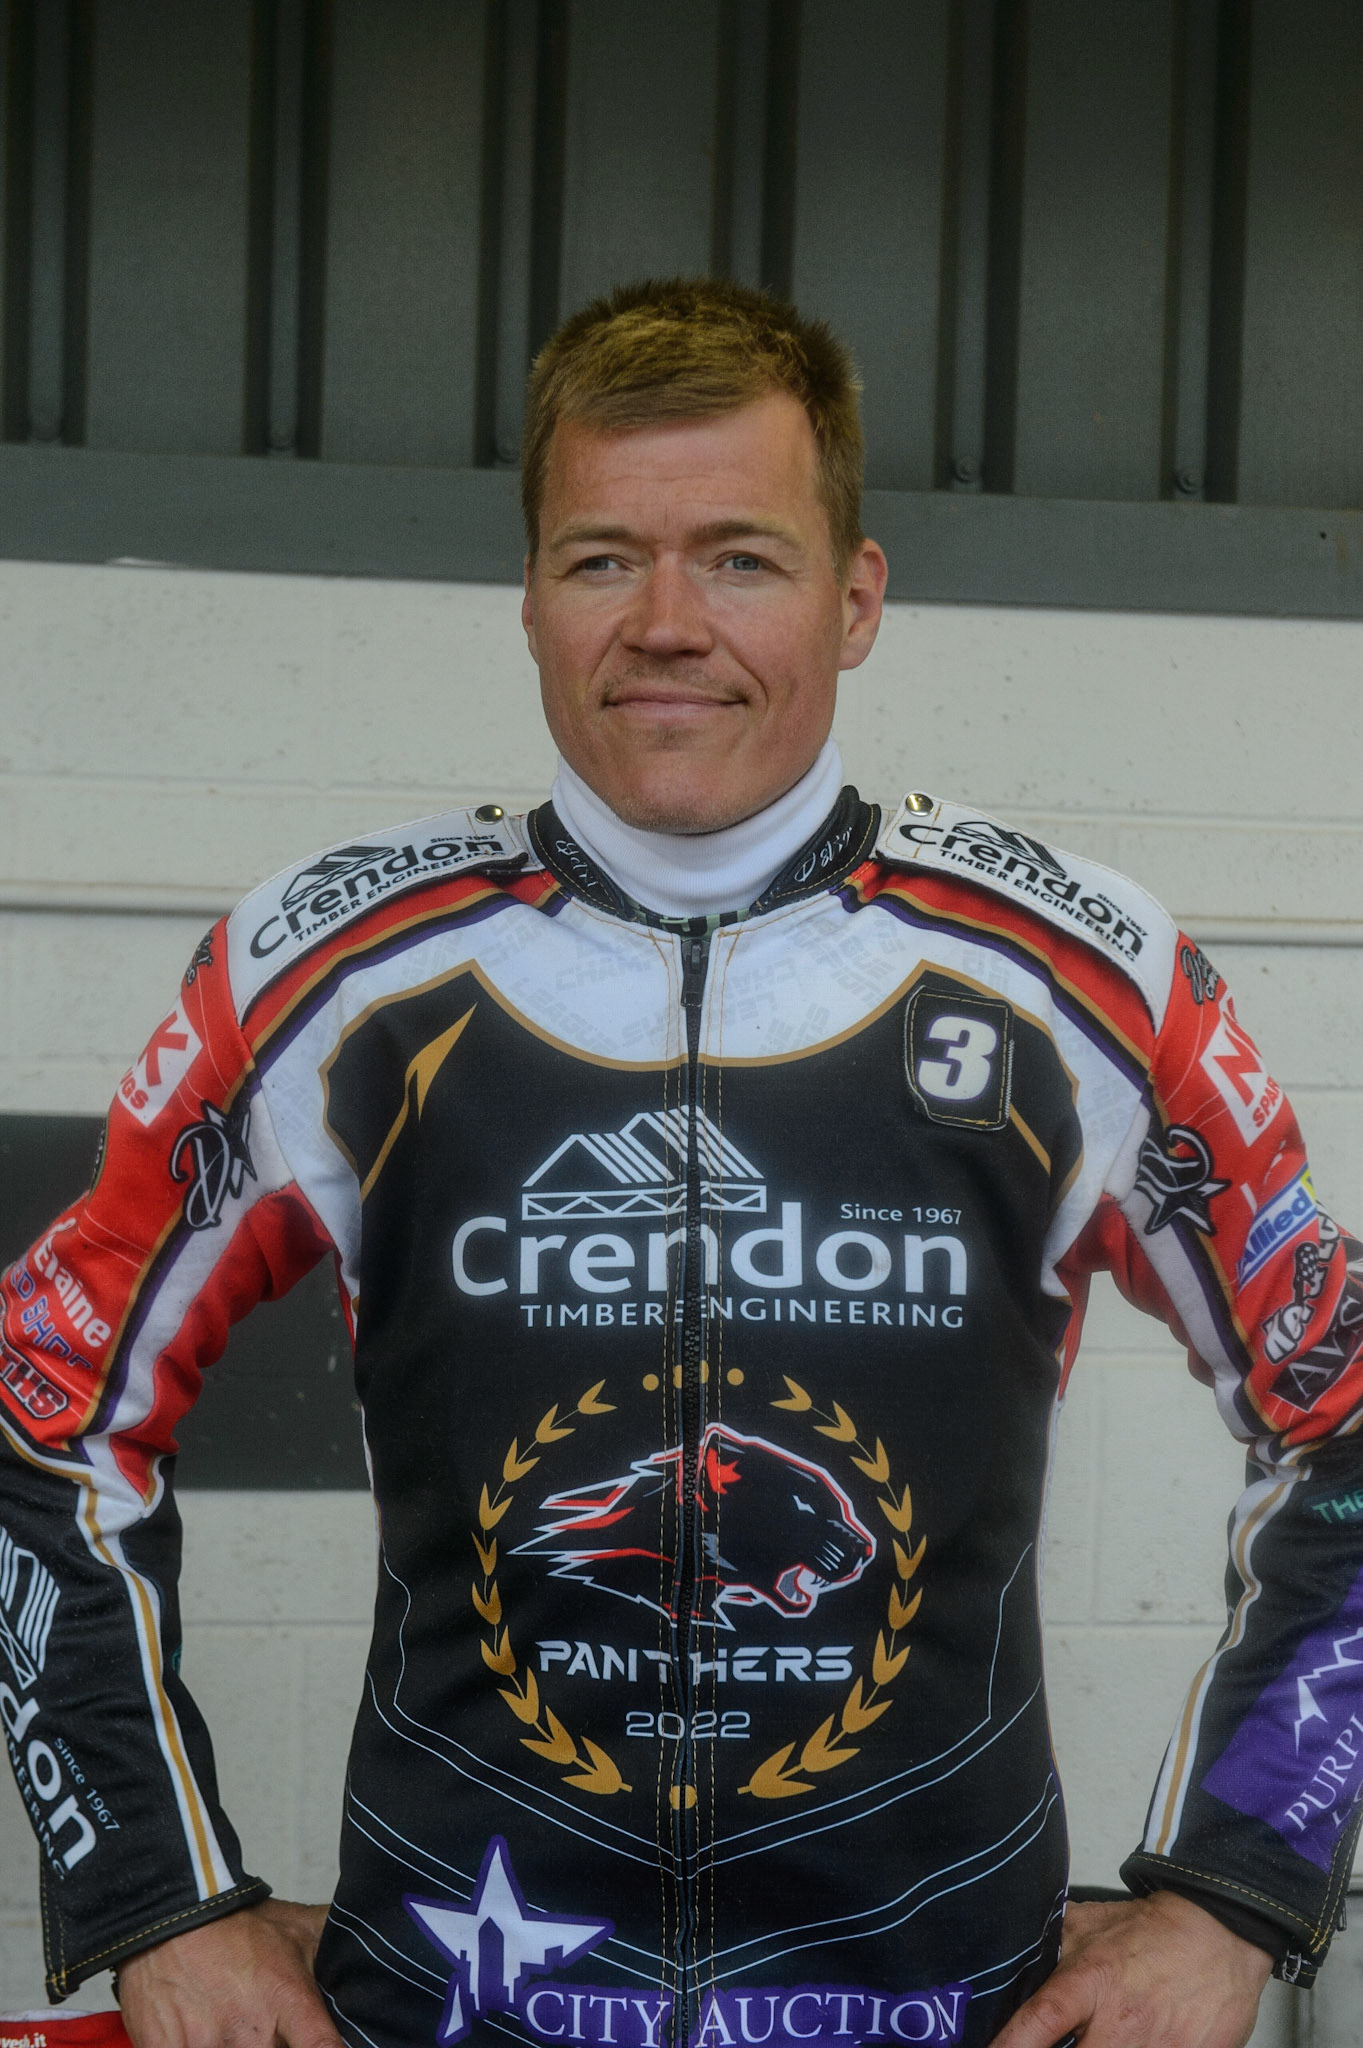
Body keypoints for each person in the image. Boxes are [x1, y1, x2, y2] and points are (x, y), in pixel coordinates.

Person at [1, 278, 1359, 2048]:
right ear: (528, 600)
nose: (664, 625)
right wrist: (157, 1899)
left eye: (739, 557)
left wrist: (1230, 1897)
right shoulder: (330, 980)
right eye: (597, 559)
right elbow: (45, 1411)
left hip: (944, 2012)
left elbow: (1344, 1420)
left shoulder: (1076, 979)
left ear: (856, 599)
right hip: (458, 2005)